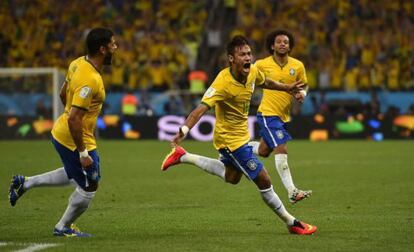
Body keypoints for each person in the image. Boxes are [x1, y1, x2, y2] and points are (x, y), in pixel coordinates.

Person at [161, 35, 316, 235]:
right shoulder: (223, 82)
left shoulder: (252, 72)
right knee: (264, 180)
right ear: (231, 59)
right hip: (230, 141)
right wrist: (183, 129)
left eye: (249, 53)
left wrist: (287, 88)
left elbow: (265, 81)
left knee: (231, 177)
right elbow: (200, 109)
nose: (248, 58)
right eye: (242, 54)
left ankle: (183, 156)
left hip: (241, 136)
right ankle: (292, 223)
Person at [8, 27, 118, 237]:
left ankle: (26, 182)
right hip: (73, 137)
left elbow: (62, 94)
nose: (116, 48)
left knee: (74, 174)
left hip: (66, 131)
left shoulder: (77, 63)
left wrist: (72, 113)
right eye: (113, 44)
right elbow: (74, 118)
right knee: (89, 186)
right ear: (103, 49)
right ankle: (63, 227)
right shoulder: (90, 79)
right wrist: (83, 153)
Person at [248, 30, 312, 204]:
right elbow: (248, 78)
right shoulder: (261, 64)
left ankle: (236, 148)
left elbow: (303, 85)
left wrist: (301, 94)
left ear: (290, 45)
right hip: (268, 113)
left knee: (263, 151)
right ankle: (292, 191)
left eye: (286, 41)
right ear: (272, 46)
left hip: (283, 116)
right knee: (281, 147)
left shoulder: (297, 65)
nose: (283, 44)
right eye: (279, 41)